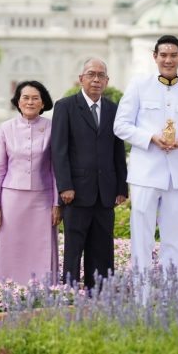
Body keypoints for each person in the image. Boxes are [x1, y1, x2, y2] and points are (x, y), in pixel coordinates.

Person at [114, 35, 178, 273]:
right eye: (163, 55)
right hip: (145, 173)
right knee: (142, 238)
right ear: (155, 57)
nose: (168, 59)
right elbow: (120, 125)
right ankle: (142, 295)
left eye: (173, 55)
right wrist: (151, 137)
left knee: (176, 239)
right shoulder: (139, 86)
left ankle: (171, 297)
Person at [52, 58, 128, 289]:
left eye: (101, 75)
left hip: (105, 193)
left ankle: (101, 293)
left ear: (107, 81)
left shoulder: (114, 109)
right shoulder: (65, 106)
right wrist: (65, 186)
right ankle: (71, 292)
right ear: (81, 78)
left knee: (103, 246)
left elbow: (118, 151)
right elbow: (59, 149)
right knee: (74, 247)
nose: (96, 79)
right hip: (75, 192)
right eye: (91, 74)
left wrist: (121, 188)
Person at [0, 80, 61, 284]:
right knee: (12, 244)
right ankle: (9, 286)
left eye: (35, 98)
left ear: (43, 103)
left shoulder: (52, 127)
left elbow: (56, 168)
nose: (30, 102)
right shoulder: (5, 128)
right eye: (25, 98)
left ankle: (43, 288)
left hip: (43, 197)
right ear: (18, 102)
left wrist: (57, 203)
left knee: (42, 245)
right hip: (12, 198)